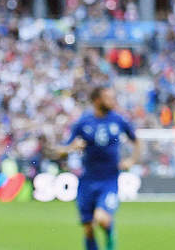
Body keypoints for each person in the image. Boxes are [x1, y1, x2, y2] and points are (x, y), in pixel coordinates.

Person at [56, 87, 140, 250]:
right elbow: (61, 151)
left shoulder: (118, 120)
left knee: (101, 218)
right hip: (87, 181)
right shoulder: (83, 122)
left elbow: (136, 141)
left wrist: (132, 160)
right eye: (108, 98)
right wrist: (72, 147)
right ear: (97, 100)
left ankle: (110, 235)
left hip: (109, 180)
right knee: (88, 228)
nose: (112, 101)